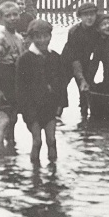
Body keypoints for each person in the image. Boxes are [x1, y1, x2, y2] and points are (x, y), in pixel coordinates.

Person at [16, 19, 67, 163]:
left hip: (50, 107)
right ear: (31, 38)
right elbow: (20, 88)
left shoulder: (55, 57)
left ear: (51, 36)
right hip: (32, 108)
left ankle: (53, 171)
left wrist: (61, 104)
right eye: (38, 37)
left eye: (46, 36)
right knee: (37, 141)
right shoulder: (25, 59)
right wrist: (25, 110)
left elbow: (62, 82)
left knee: (51, 139)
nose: (43, 40)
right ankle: (35, 174)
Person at [0, 2, 24, 146]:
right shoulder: (0, 37)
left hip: (15, 81)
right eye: (8, 16)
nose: (12, 18)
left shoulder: (19, 38)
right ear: (1, 18)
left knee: (13, 118)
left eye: (15, 14)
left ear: (20, 15)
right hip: (3, 80)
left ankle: (10, 148)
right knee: (3, 119)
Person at [61, 2, 99, 118]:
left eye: (92, 14)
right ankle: (57, 121)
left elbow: (96, 56)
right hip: (67, 63)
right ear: (80, 17)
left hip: (85, 62)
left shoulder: (96, 30)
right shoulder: (74, 31)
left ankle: (85, 123)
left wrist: (88, 77)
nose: (89, 18)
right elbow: (74, 58)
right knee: (60, 91)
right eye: (85, 15)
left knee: (85, 95)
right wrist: (81, 79)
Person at [87, 14, 109, 119]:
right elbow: (95, 63)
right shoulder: (99, 42)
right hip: (108, 72)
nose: (108, 26)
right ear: (98, 29)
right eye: (104, 24)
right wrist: (89, 81)